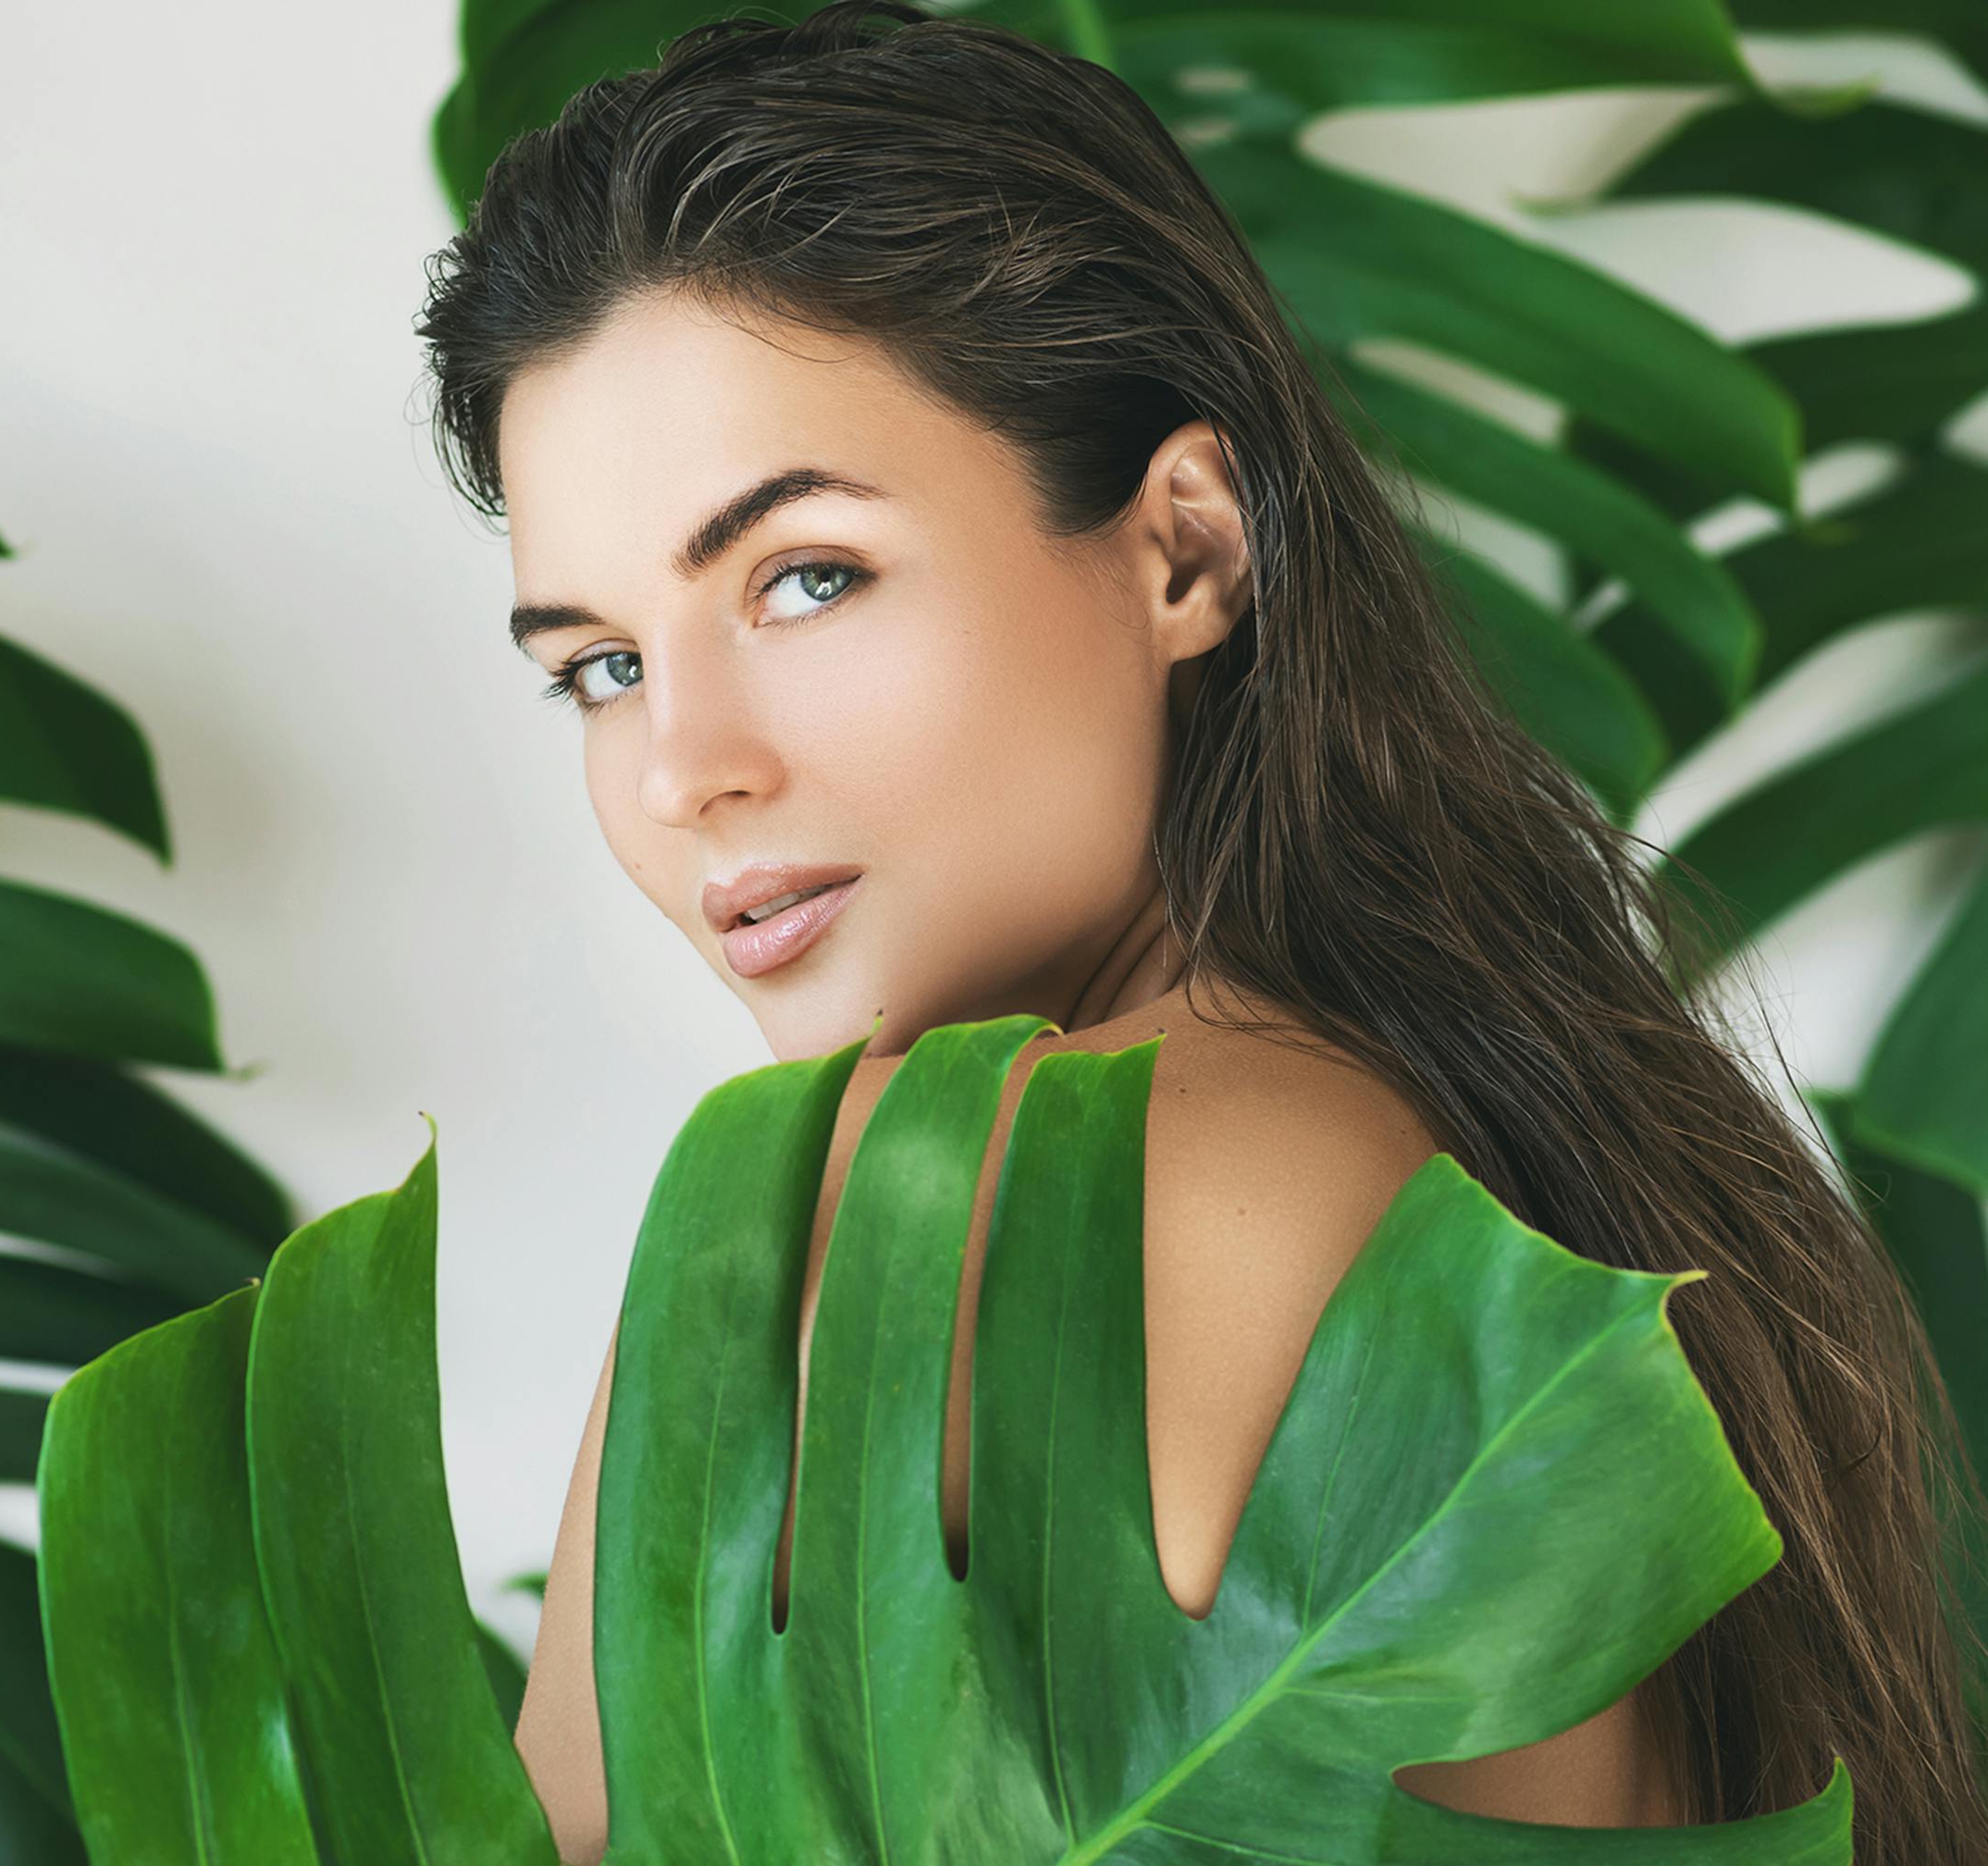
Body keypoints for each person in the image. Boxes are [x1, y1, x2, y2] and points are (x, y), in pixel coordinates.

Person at [414, 6, 1988, 1861]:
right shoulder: (1544, 1167)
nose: (685, 769)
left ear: (1183, 547)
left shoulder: (903, 1205)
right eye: (598, 666)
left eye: (804, 577)